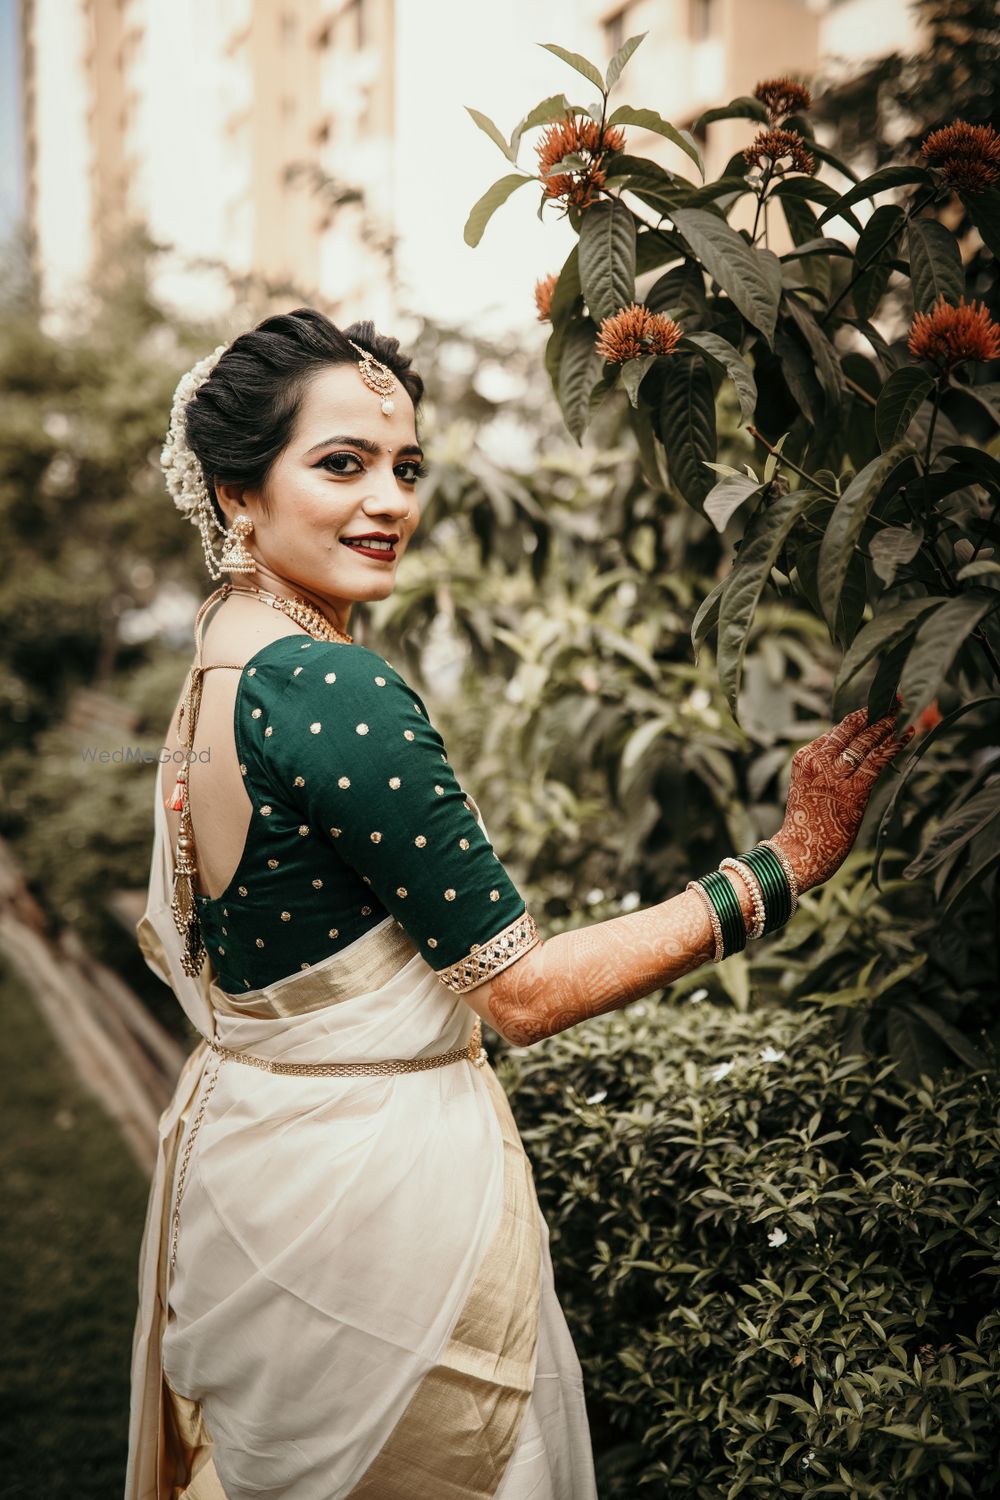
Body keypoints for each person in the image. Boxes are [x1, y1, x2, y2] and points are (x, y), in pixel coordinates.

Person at [125, 308, 914, 1500]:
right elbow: (525, 993)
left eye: (405, 468)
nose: (388, 501)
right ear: (238, 491)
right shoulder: (330, 684)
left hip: (260, 1160)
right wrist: (783, 864)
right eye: (340, 465)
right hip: (373, 1198)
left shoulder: (222, 661)